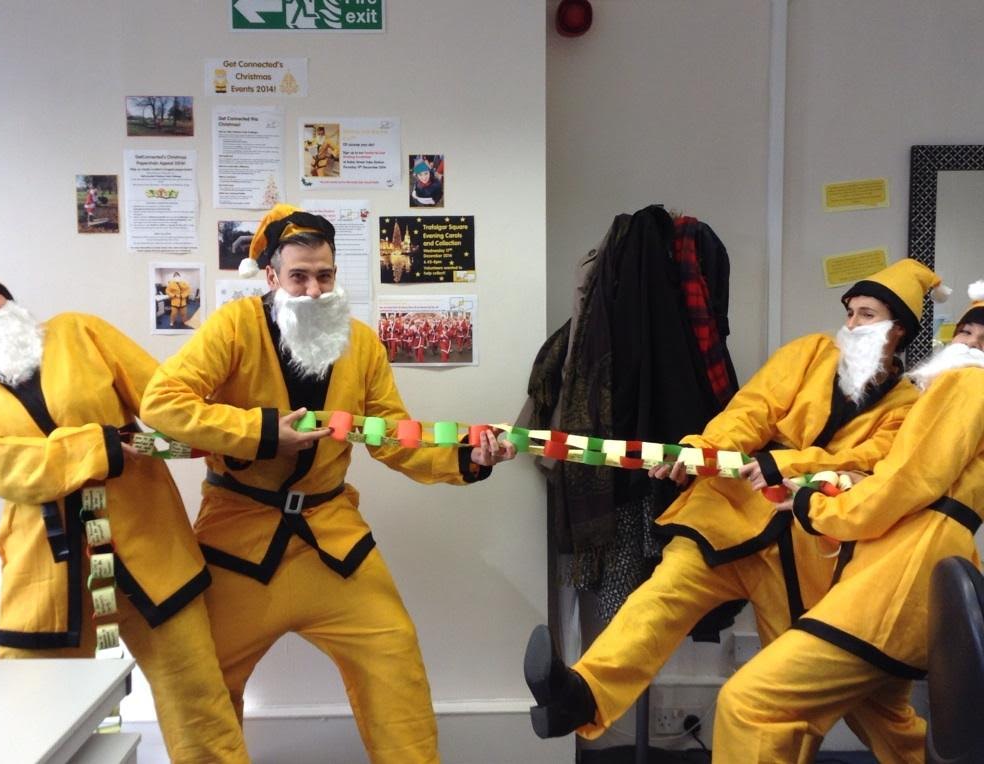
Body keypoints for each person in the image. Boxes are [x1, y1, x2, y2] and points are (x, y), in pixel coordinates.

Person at [523, 259, 945, 761]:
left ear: (897, 330)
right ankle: (580, 695)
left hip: (803, 550)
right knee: (660, 598)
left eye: (867, 314)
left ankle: (923, 755)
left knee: (806, 685)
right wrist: (704, 452)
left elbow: (862, 463)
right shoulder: (810, 353)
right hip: (727, 513)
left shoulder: (906, 407)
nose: (851, 324)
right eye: (849, 311)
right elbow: (753, 409)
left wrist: (782, 462)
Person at [140, 204, 515, 764]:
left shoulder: (361, 344)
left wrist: (469, 454)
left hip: (333, 539)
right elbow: (161, 404)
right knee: (203, 685)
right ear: (271, 277)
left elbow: (391, 436)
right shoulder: (233, 327)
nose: (315, 289)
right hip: (237, 542)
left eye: (325, 274)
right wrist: (263, 431)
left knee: (395, 657)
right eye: (299, 276)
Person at [0, 269, 248, 763]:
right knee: (28, 717)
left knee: (200, 703)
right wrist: (99, 446)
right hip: (48, 573)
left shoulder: (79, 331)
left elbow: (163, 404)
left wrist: (244, 439)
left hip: (151, 554)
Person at [713, 280, 984, 763]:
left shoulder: (967, 382)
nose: (967, 345)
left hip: (893, 586)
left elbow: (905, 482)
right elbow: (911, 478)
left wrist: (815, 509)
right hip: (919, 578)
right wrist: (826, 486)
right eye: (966, 332)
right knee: (889, 723)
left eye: (981, 340)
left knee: (752, 703)